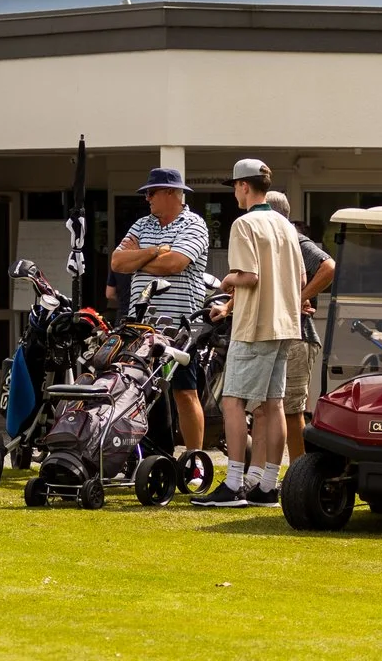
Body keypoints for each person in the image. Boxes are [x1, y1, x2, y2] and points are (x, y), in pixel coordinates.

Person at [195, 160, 306, 508]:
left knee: (232, 402)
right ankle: (267, 485)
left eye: (234, 186)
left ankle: (233, 483)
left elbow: (249, 276)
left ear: (244, 187)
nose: (234, 193)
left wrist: (227, 280)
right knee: (273, 405)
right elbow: (301, 281)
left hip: (254, 326)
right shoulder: (285, 226)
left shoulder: (244, 224)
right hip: (285, 325)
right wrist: (230, 304)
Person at [109, 167, 212, 454]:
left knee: (184, 391)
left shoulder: (194, 224)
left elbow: (175, 264)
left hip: (180, 326)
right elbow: (117, 263)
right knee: (140, 390)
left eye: (151, 192)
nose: (147, 199)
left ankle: (194, 460)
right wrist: (155, 251)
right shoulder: (142, 224)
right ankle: (154, 455)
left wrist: (137, 257)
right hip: (142, 324)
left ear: (171, 193)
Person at [264, 190, 333, 463]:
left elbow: (328, 266)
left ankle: (298, 474)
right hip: (272, 334)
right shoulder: (267, 242)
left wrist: (297, 298)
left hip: (298, 336)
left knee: (292, 410)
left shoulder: (294, 239)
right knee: (266, 409)